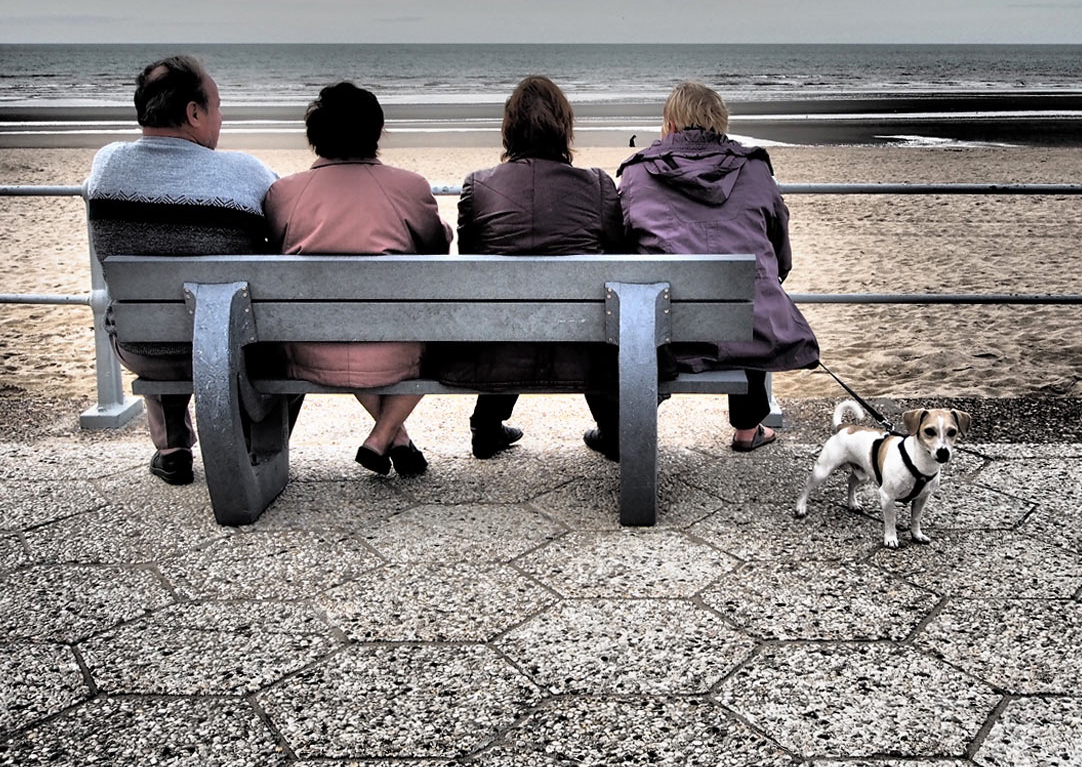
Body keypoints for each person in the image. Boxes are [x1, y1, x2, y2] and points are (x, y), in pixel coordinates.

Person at [87, 54, 281, 486]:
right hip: (234, 350)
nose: (222, 115)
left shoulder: (107, 165)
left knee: (163, 308)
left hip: (142, 345)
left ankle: (172, 448)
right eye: (216, 104)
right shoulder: (247, 171)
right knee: (212, 315)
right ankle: (254, 446)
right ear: (194, 113)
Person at [616, 81, 819, 451]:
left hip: (666, 337)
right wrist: (773, 276)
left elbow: (621, 249)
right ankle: (747, 428)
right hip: (747, 333)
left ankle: (633, 421)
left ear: (671, 126)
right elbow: (779, 251)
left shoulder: (636, 174)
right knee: (748, 291)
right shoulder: (755, 169)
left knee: (670, 297)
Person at [263, 81, 452, 477]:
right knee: (440, 335)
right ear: (376, 132)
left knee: (346, 324)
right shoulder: (410, 187)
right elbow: (436, 251)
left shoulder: (283, 193)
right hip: (396, 351)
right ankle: (384, 437)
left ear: (315, 136)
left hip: (310, 349)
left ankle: (393, 438)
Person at [436, 75, 625, 460]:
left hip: (501, 342)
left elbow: (471, 263)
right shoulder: (599, 185)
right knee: (581, 315)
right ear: (564, 127)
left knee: (513, 313)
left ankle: (486, 426)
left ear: (509, 129)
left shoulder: (478, 185)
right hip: (584, 344)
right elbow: (618, 257)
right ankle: (615, 429)